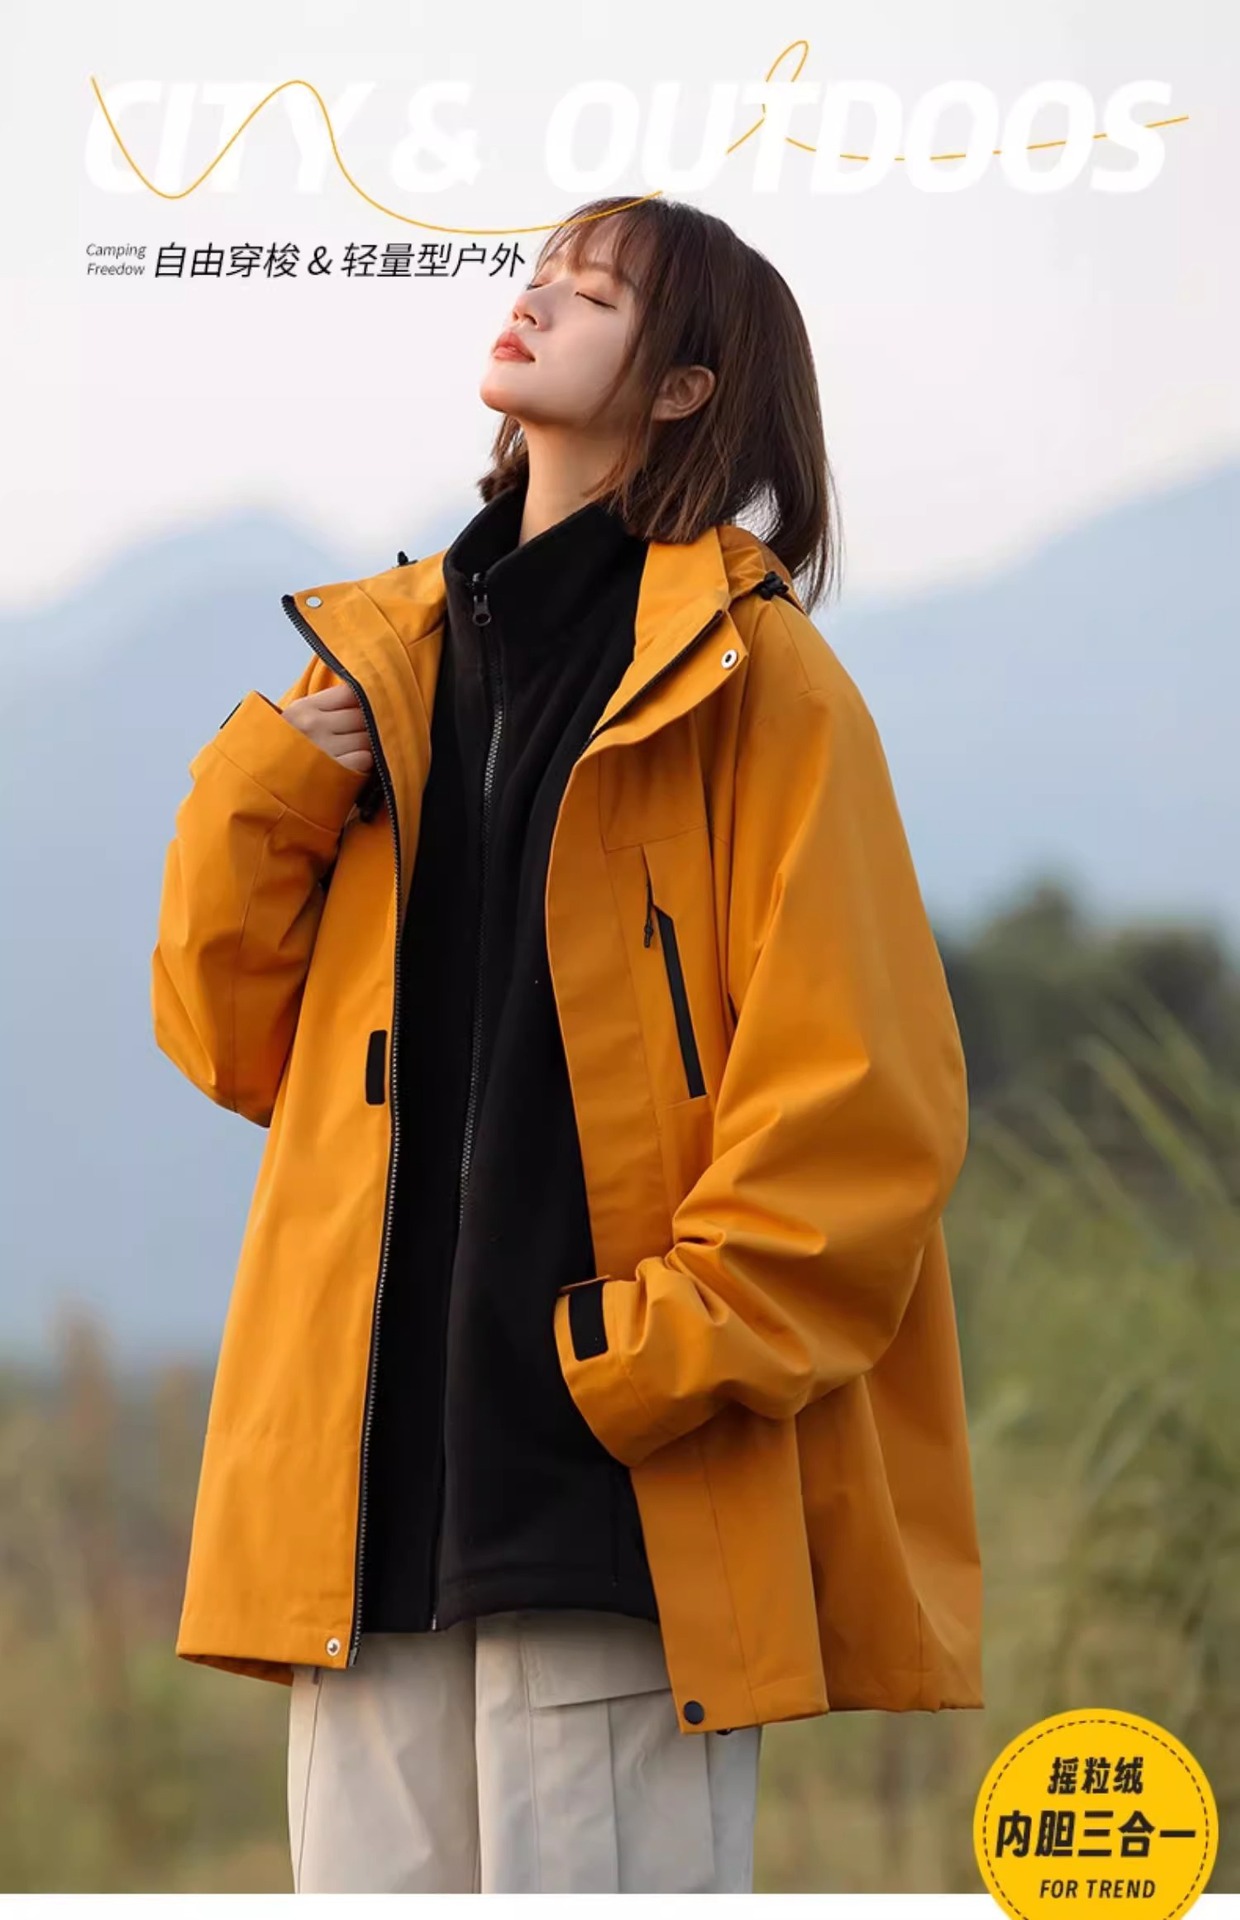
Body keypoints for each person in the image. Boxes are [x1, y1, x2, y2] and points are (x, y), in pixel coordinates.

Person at [151, 193, 983, 1895]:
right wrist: (274, 787)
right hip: (365, 1516)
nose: (533, 302)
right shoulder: (385, 673)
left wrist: (647, 1353)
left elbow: (863, 1099)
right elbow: (228, 1042)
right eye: (537, 274)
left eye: (591, 294)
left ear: (682, 390)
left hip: (612, 1505)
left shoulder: (757, 685)